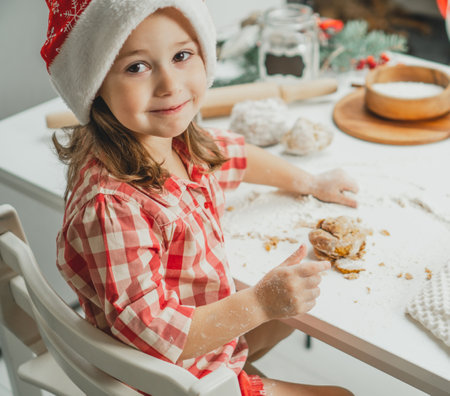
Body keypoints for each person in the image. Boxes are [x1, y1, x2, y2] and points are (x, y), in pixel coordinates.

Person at [41, 1, 357, 395]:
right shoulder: (112, 207)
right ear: (94, 85)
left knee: (290, 317)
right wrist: (259, 303)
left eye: (181, 55)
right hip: (168, 378)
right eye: (137, 66)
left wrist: (311, 181)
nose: (170, 85)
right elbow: (153, 333)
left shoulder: (170, 143)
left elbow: (234, 156)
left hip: (195, 339)